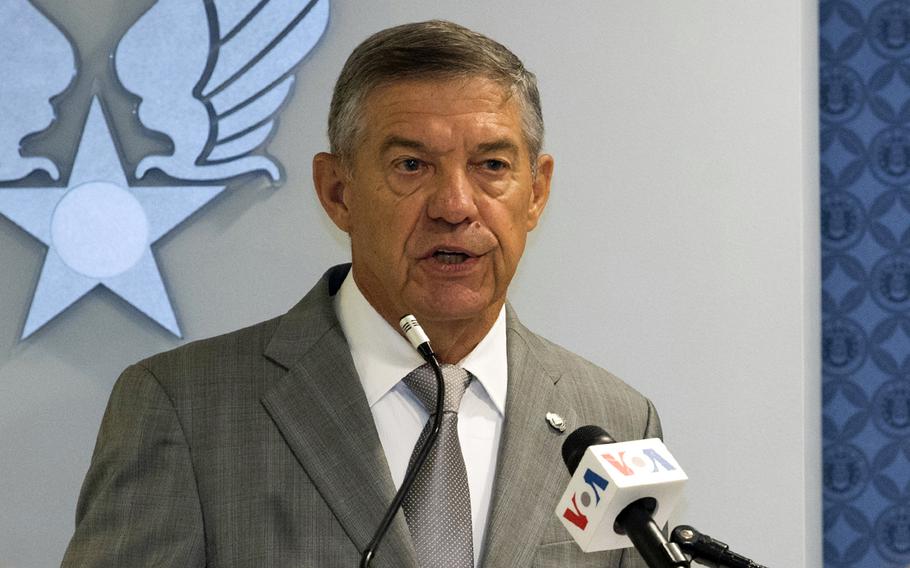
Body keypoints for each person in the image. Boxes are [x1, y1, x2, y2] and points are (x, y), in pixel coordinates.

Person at [62, 20, 661, 568]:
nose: (455, 205)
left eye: (492, 165)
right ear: (338, 191)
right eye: (410, 165)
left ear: (536, 192)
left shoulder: (614, 421)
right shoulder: (184, 410)